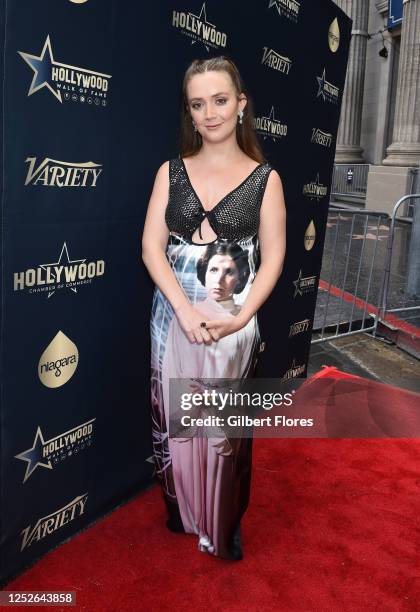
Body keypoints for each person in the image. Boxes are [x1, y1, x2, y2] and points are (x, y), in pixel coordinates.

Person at [142, 55, 286, 560]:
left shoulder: (265, 179)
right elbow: (151, 249)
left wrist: (241, 318)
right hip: (174, 318)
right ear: (189, 111)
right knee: (176, 418)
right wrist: (183, 311)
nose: (210, 113)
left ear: (241, 105)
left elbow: (273, 258)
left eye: (220, 101)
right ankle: (182, 509)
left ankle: (223, 520)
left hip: (233, 323)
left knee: (225, 431)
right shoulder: (170, 171)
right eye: (198, 104)